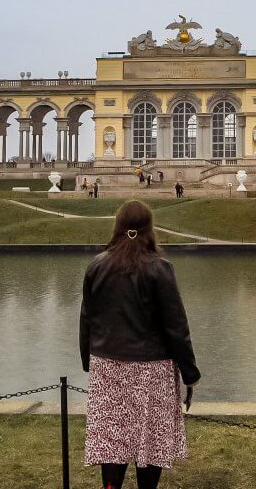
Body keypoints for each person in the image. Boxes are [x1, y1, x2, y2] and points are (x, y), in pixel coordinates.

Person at [79, 201, 199, 489]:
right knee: (151, 438)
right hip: (152, 368)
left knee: (112, 440)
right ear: (149, 230)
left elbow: (87, 319)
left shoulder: (97, 265)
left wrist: (88, 361)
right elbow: (176, 326)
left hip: (108, 367)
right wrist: (190, 372)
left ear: (118, 228)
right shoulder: (160, 268)